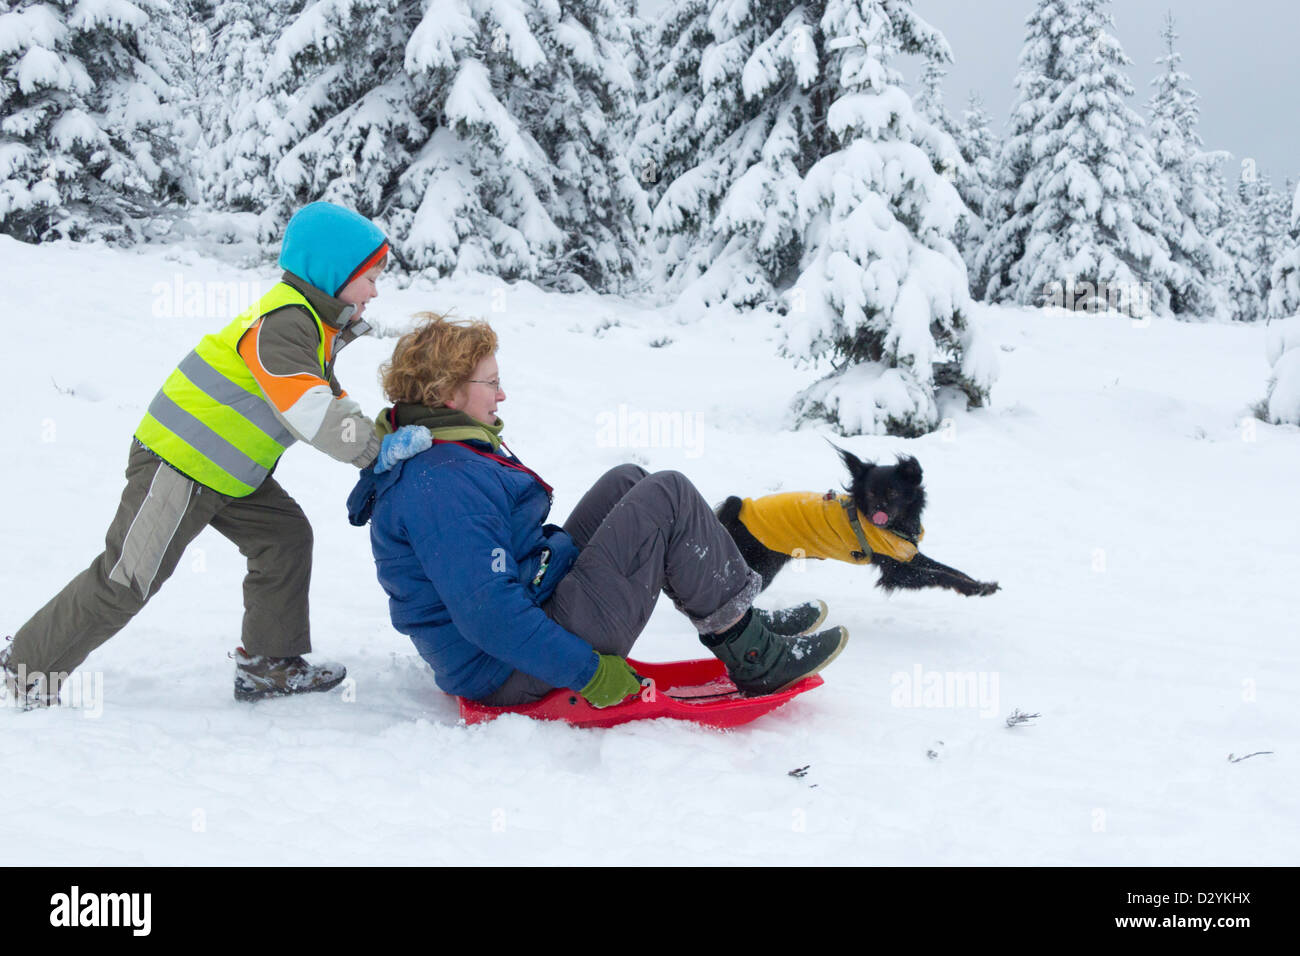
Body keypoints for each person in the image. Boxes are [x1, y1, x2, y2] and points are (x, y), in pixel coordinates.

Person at [2, 201, 420, 708]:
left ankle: (269, 665)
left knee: (284, 539)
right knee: (126, 580)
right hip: (179, 463)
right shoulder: (285, 321)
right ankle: (21, 672)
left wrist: (380, 434)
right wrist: (377, 452)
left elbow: (328, 398)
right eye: (371, 277)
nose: (376, 290)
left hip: (228, 472)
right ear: (333, 272)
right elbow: (310, 411)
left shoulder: (312, 323)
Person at [346, 314, 850, 708]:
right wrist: (588, 672)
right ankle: (751, 650)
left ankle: (739, 615)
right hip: (503, 669)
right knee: (667, 495)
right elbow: (490, 615)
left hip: (523, 616)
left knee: (626, 480)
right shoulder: (441, 483)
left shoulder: (442, 452)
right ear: (447, 394)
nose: (502, 394)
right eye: (490, 383)